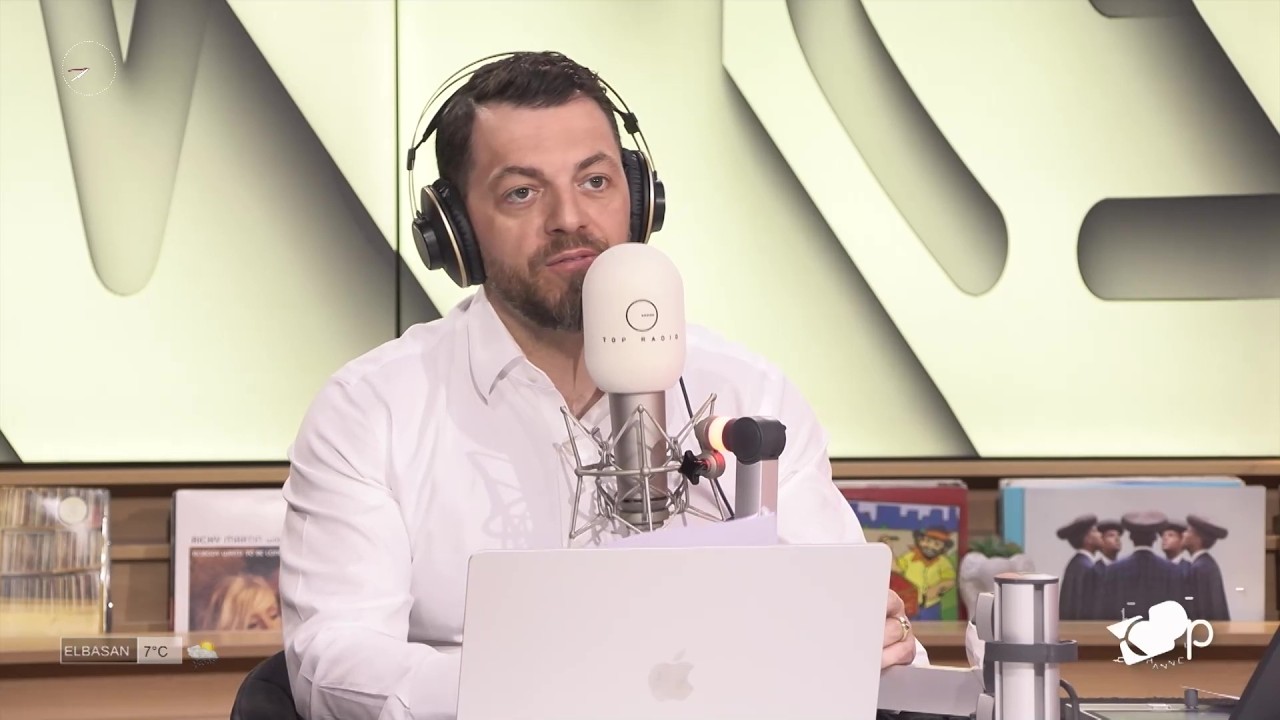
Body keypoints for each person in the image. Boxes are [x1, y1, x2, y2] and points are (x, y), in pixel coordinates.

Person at [277, 51, 928, 720]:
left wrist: (879, 641)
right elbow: (332, 662)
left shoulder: (749, 393)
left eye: (594, 181)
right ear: (456, 234)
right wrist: (558, 688)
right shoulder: (372, 410)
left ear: (640, 200)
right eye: (522, 192)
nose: (569, 217)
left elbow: (860, 630)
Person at [1055, 514, 1101, 620]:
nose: (1100, 535)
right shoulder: (1086, 567)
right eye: (1095, 531)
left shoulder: (1077, 563)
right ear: (1087, 539)